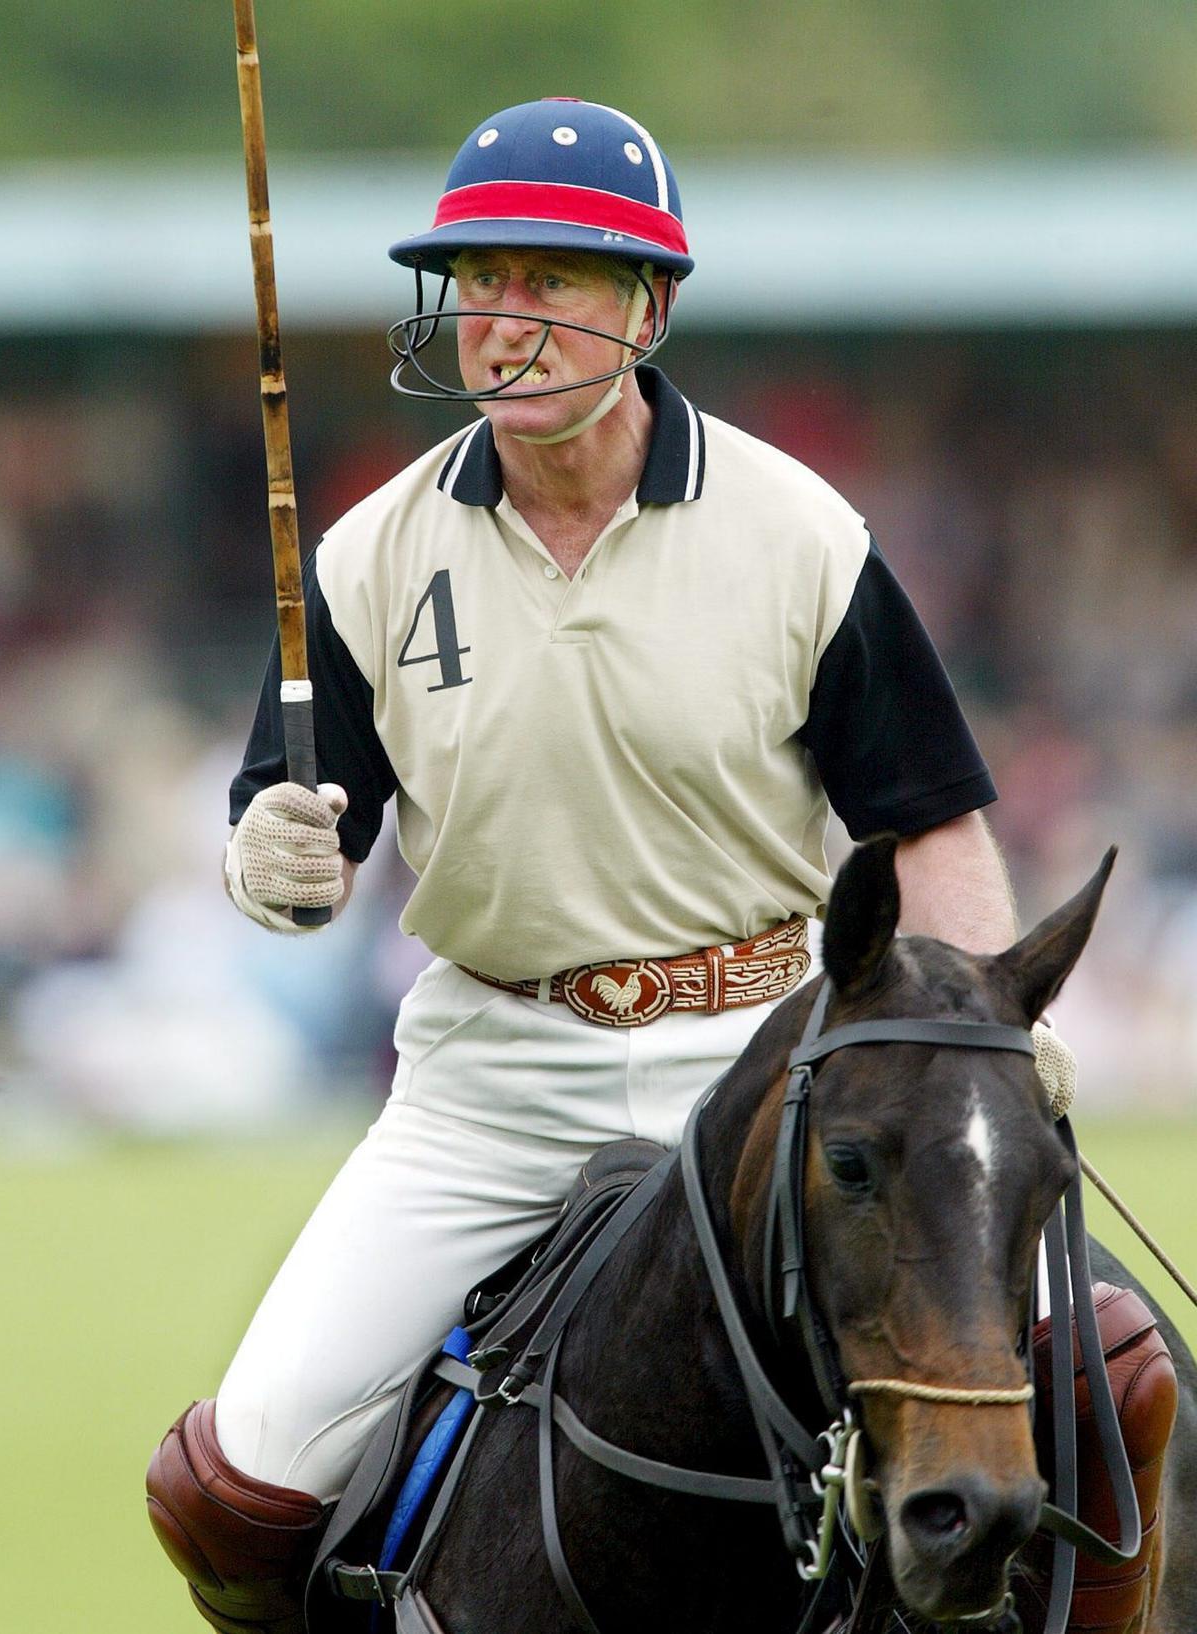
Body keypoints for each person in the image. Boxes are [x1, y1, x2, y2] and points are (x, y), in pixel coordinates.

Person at [145, 98, 1074, 1633]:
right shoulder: (371, 555)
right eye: (478, 284)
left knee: (1101, 1376)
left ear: (649, 306)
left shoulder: (799, 535)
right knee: (235, 1483)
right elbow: (298, 847)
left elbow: (930, 826)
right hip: (493, 1078)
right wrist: (274, 863)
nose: (502, 325)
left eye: (550, 282)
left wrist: (989, 1050)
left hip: (765, 1064)